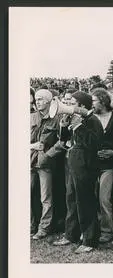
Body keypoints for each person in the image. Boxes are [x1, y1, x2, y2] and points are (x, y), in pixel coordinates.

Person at [52, 91, 104, 254]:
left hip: (86, 166)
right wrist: (64, 125)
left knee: (85, 201)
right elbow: (64, 139)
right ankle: (71, 234)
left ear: (81, 105)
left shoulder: (92, 120)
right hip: (75, 164)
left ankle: (89, 239)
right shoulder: (79, 119)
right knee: (72, 201)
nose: (69, 105)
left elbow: (94, 143)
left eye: (73, 102)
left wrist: (78, 126)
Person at [92, 88, 113, 243]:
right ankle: (94, 229)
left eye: (94, 101)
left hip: (109, 165)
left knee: (105, 198)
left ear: (103, 101)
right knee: (93, 197)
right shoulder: (90, 117)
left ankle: (107, 231)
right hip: (92, 164)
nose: (92, 104)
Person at [30, 89, 60, 239]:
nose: (37, 101)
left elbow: (62, 141)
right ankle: (30, 225)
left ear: (49, 101)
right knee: (27, 194)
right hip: (30, 161)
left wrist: (49, 155)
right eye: (36, 99)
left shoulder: (57, 118)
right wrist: (31, 146)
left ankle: (44, 227)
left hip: (45, 163)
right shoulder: (30, 118)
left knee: (46, 197)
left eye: (41, 99)